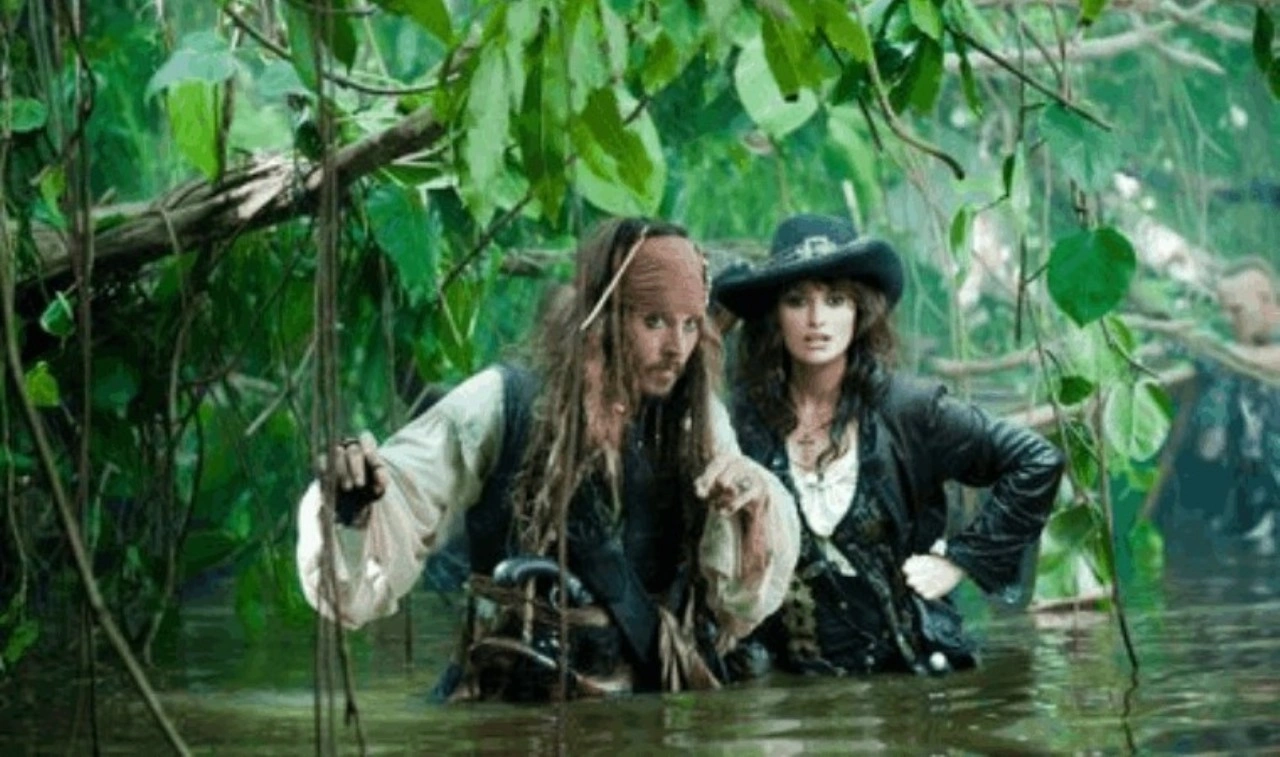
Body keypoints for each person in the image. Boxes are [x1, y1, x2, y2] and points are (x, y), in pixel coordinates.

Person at [295, 217, 800, 701]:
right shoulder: (502, 402)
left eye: (690, 325)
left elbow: (739, 606)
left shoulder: (696, 420)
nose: (676, 348)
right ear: (603, 318)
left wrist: (749, 505)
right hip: (513, 702)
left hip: (641, 704)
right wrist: (353, 504)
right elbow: (401, 491)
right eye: (654, 321)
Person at [712, 213, 1064, 676]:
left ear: (859, 311)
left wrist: (961, 560)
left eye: (835, 300)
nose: (816, 319)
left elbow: (1037, 460)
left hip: (912, 675)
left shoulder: (910, 409)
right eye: (797, 301)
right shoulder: (741, 423)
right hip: (792, 688)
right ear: (775, 316)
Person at [1155, 258, 1280, 552]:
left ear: (1266, 302)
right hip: (1246, 511)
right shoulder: (1229, 362)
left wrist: (1208, 348)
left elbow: (1264, 361)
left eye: (1236, 310)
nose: (1228, 319)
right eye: (1224, 310)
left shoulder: (1242, 356)